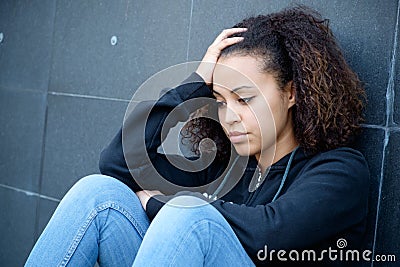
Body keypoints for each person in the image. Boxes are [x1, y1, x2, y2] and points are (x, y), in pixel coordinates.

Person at [26, 6, 369, 267]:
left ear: (291, 93)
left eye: (244, 98)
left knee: (188, 212)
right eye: (219, 100)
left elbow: (272, 233)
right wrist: (194, 83)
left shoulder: (339, 170)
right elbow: (116, 165)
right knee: (97, 193)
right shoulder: (227, 167)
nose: (229, 117)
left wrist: (158, 203)